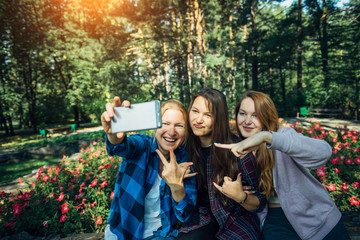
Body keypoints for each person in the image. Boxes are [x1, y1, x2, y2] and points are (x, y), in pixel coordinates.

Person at [215, 90, 351, 240]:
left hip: (316, 217)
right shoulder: (235, 147)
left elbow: (324, 153)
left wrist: (267, 137)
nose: (247, 121)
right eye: (242, 113)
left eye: (255, 115)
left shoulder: (281, 136)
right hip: (274, 219)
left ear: (267, 116)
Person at [101, 97, 197, 240]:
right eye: (165, 123)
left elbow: (185, 215)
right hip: (122, 233)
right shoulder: (142, 145)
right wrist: (113, 134)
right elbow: (119, 146)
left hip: (160, 235)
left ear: (186, 131)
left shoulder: (185, 161)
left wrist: (176, 186)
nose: (171, 132)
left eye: (179, 126)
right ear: (155, 126)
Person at [178, 88, 267, 240]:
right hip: (199, 220)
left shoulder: (238, 149)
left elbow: (260, 201)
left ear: (219, 118)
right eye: (195, 111)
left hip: (235, 220)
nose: (198, 120)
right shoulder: (183, 151)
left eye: (208, 115)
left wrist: (241, 196)